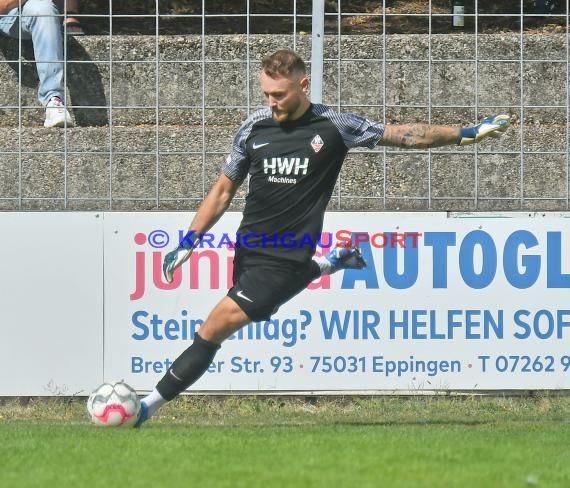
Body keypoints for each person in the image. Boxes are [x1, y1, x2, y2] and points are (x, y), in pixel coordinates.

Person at [135, 49, 510, 427]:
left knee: (214, 328)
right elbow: (221, 191)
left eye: (278, 95)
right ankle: (332, 262)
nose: (271, 102)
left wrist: (465, 134)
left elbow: (403, 135)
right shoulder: (253, 128)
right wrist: (188, 241)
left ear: (301, 86)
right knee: (255, 310)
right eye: (265, 94)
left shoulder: (335, 125)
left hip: (285, 259)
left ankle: (144, 407)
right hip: (248, 251)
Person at [0, 0, 74, 127]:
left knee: (43, 8)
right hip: (6, 13)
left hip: (21, 12)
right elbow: (3, 6)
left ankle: (53, 101)